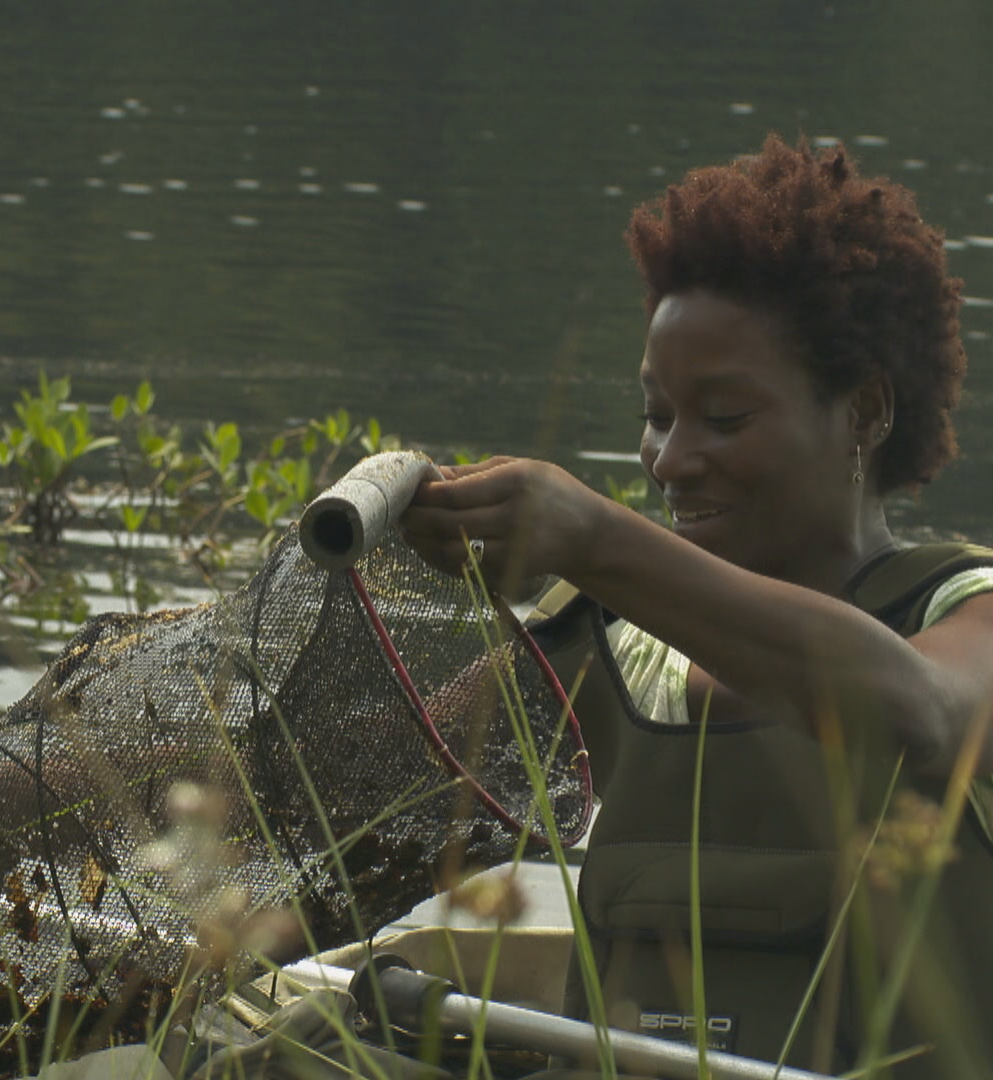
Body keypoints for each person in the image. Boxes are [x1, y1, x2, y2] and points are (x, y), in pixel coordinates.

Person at [402, 136, 992, 1078]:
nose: (670, 461)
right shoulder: (609, 639)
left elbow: (915, 712)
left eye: (723, 419)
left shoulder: (964, 611)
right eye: (656, 414)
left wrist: (598, 542)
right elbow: (372, 796)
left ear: (866, 413)